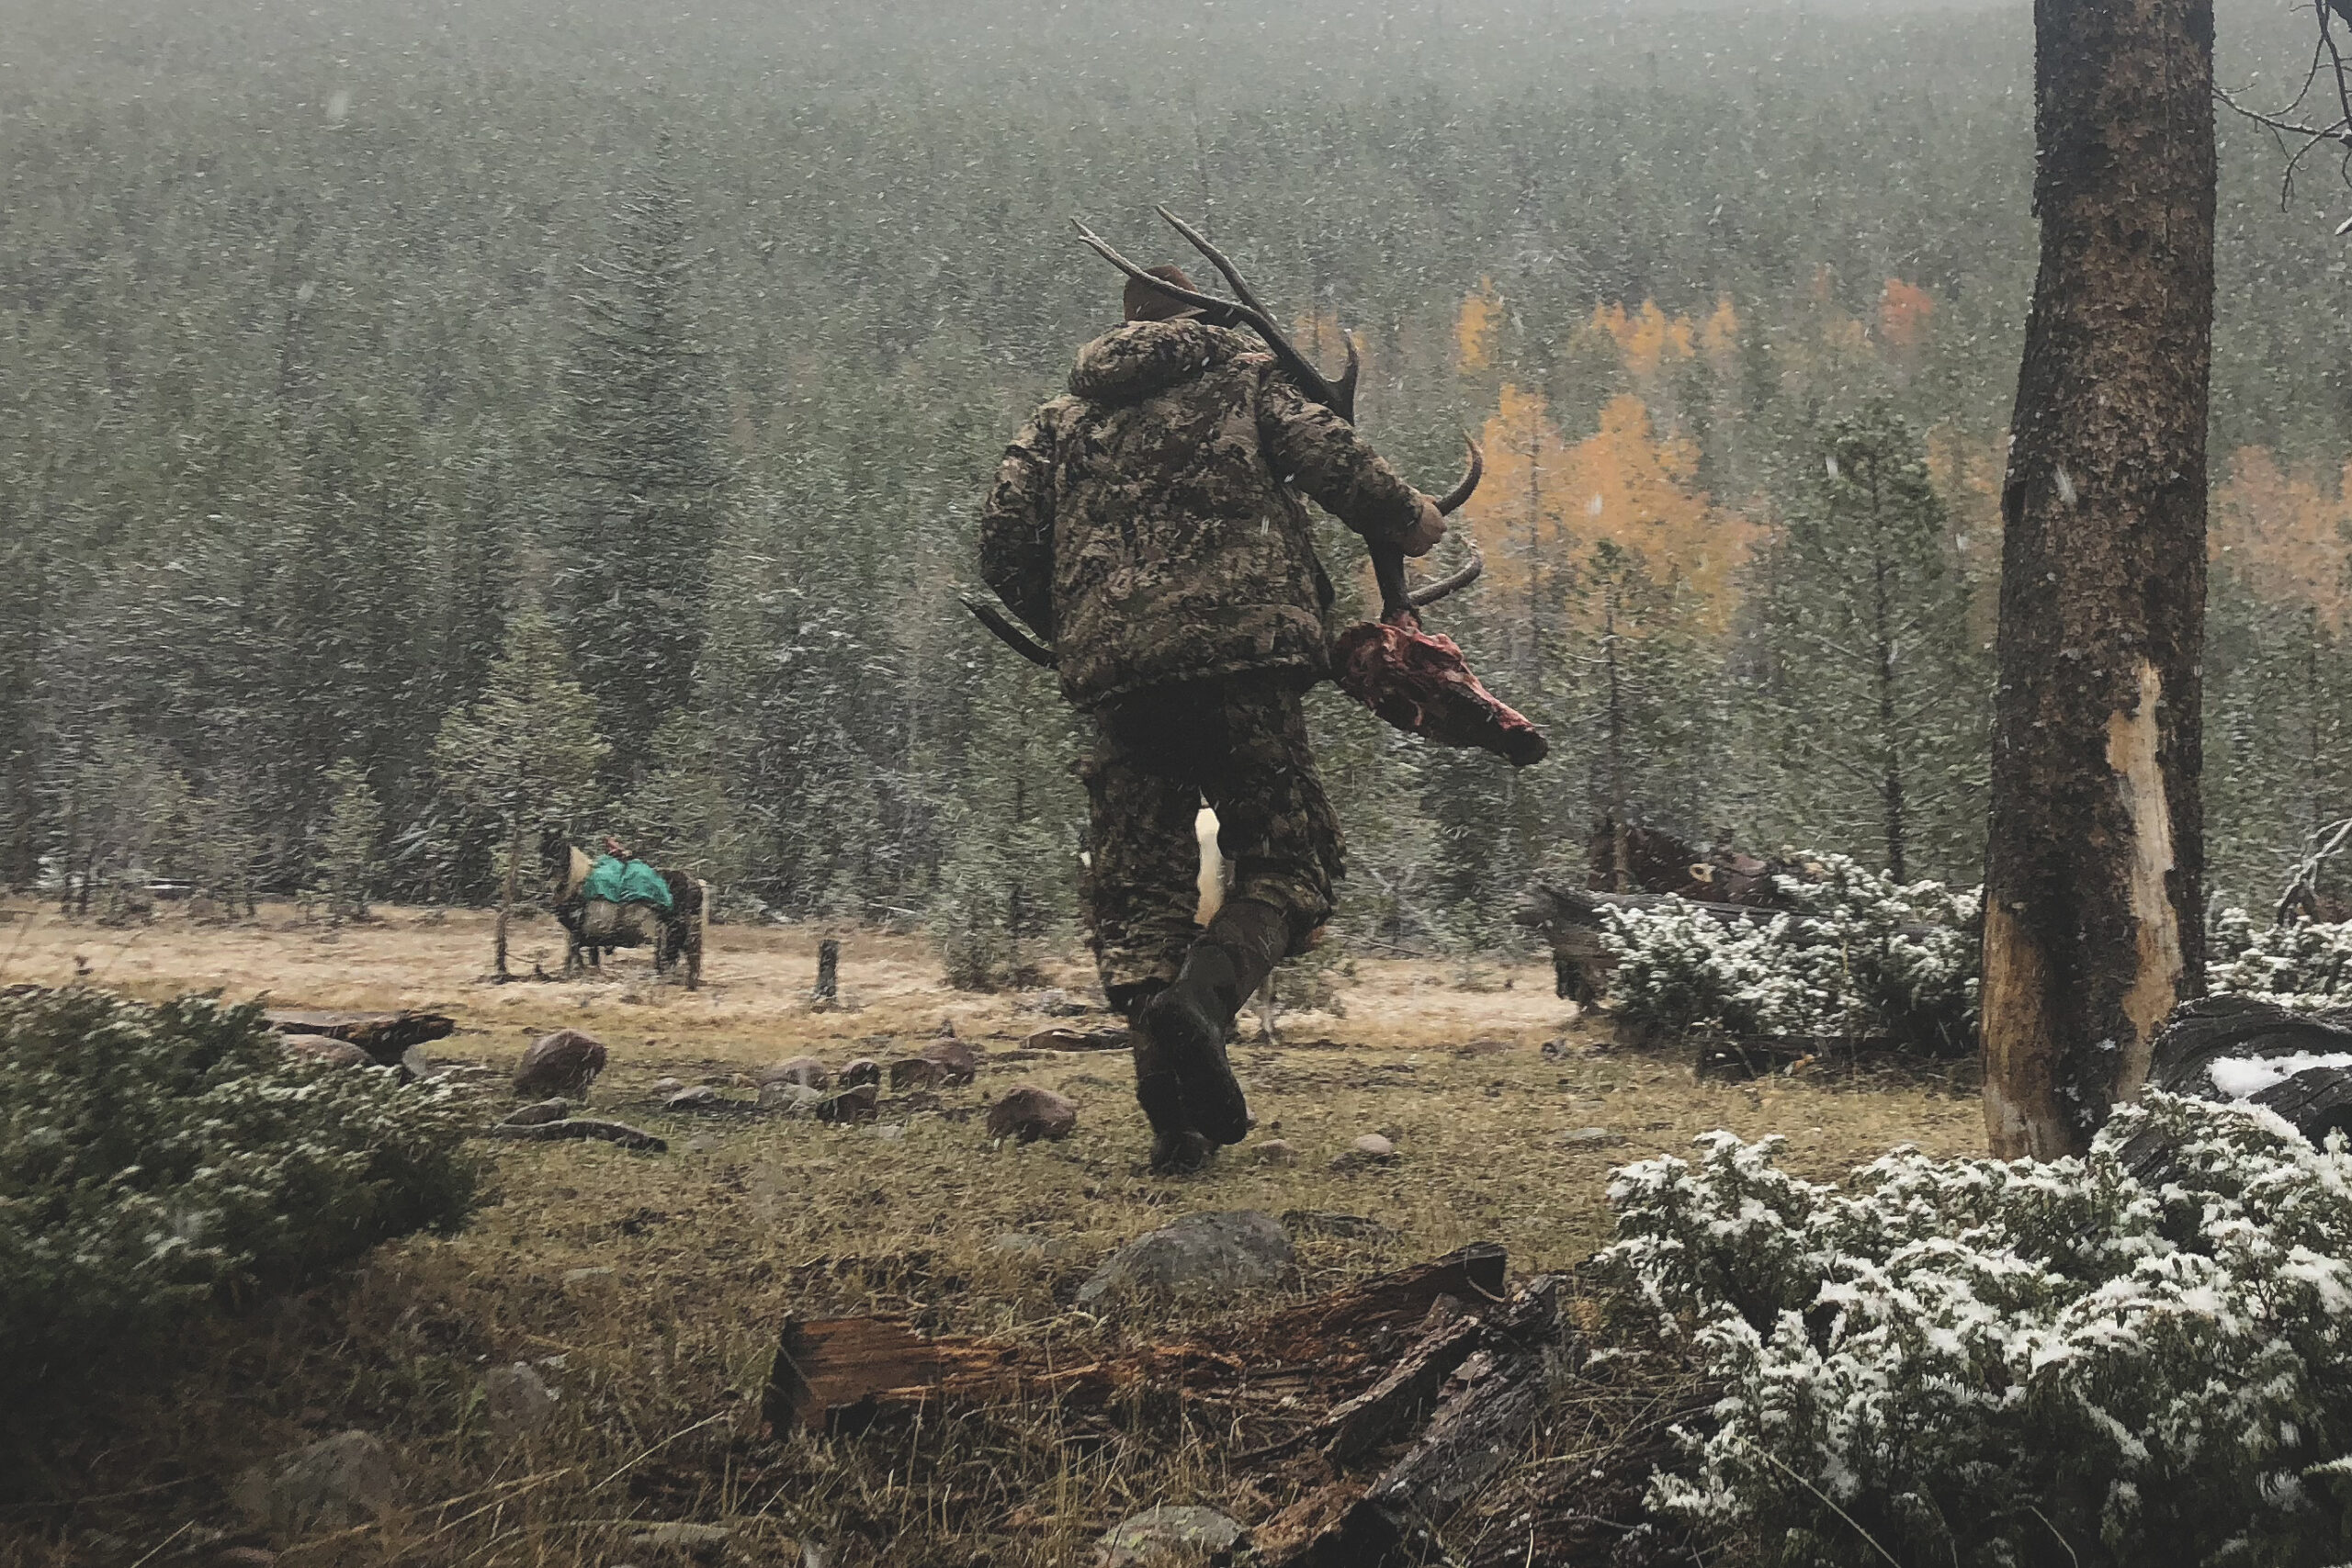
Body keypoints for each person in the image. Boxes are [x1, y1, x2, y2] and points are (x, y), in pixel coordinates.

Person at [978, 265, 1446, 1174]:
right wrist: (1414, 519)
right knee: (1290, 858)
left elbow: (999, 547)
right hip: (1245, 665)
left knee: (1140, 895)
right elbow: (1337, 464)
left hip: (1118, 685)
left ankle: (1176, 1122)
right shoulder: (1244, 381)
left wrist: (1083, 621)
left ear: (1122, 328)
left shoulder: (1056, 424)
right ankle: (1203, 1003)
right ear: (1200, 318)